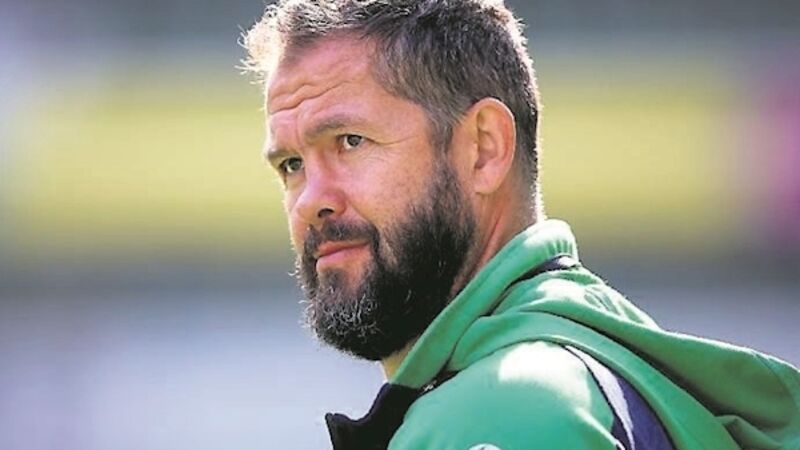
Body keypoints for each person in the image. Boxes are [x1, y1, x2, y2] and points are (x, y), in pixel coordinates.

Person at [243, 1, 800, 449]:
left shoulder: (503, 412)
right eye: (291, 165)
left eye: (350, 142)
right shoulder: (604, 356)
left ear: (484, 149)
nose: (309, 200)